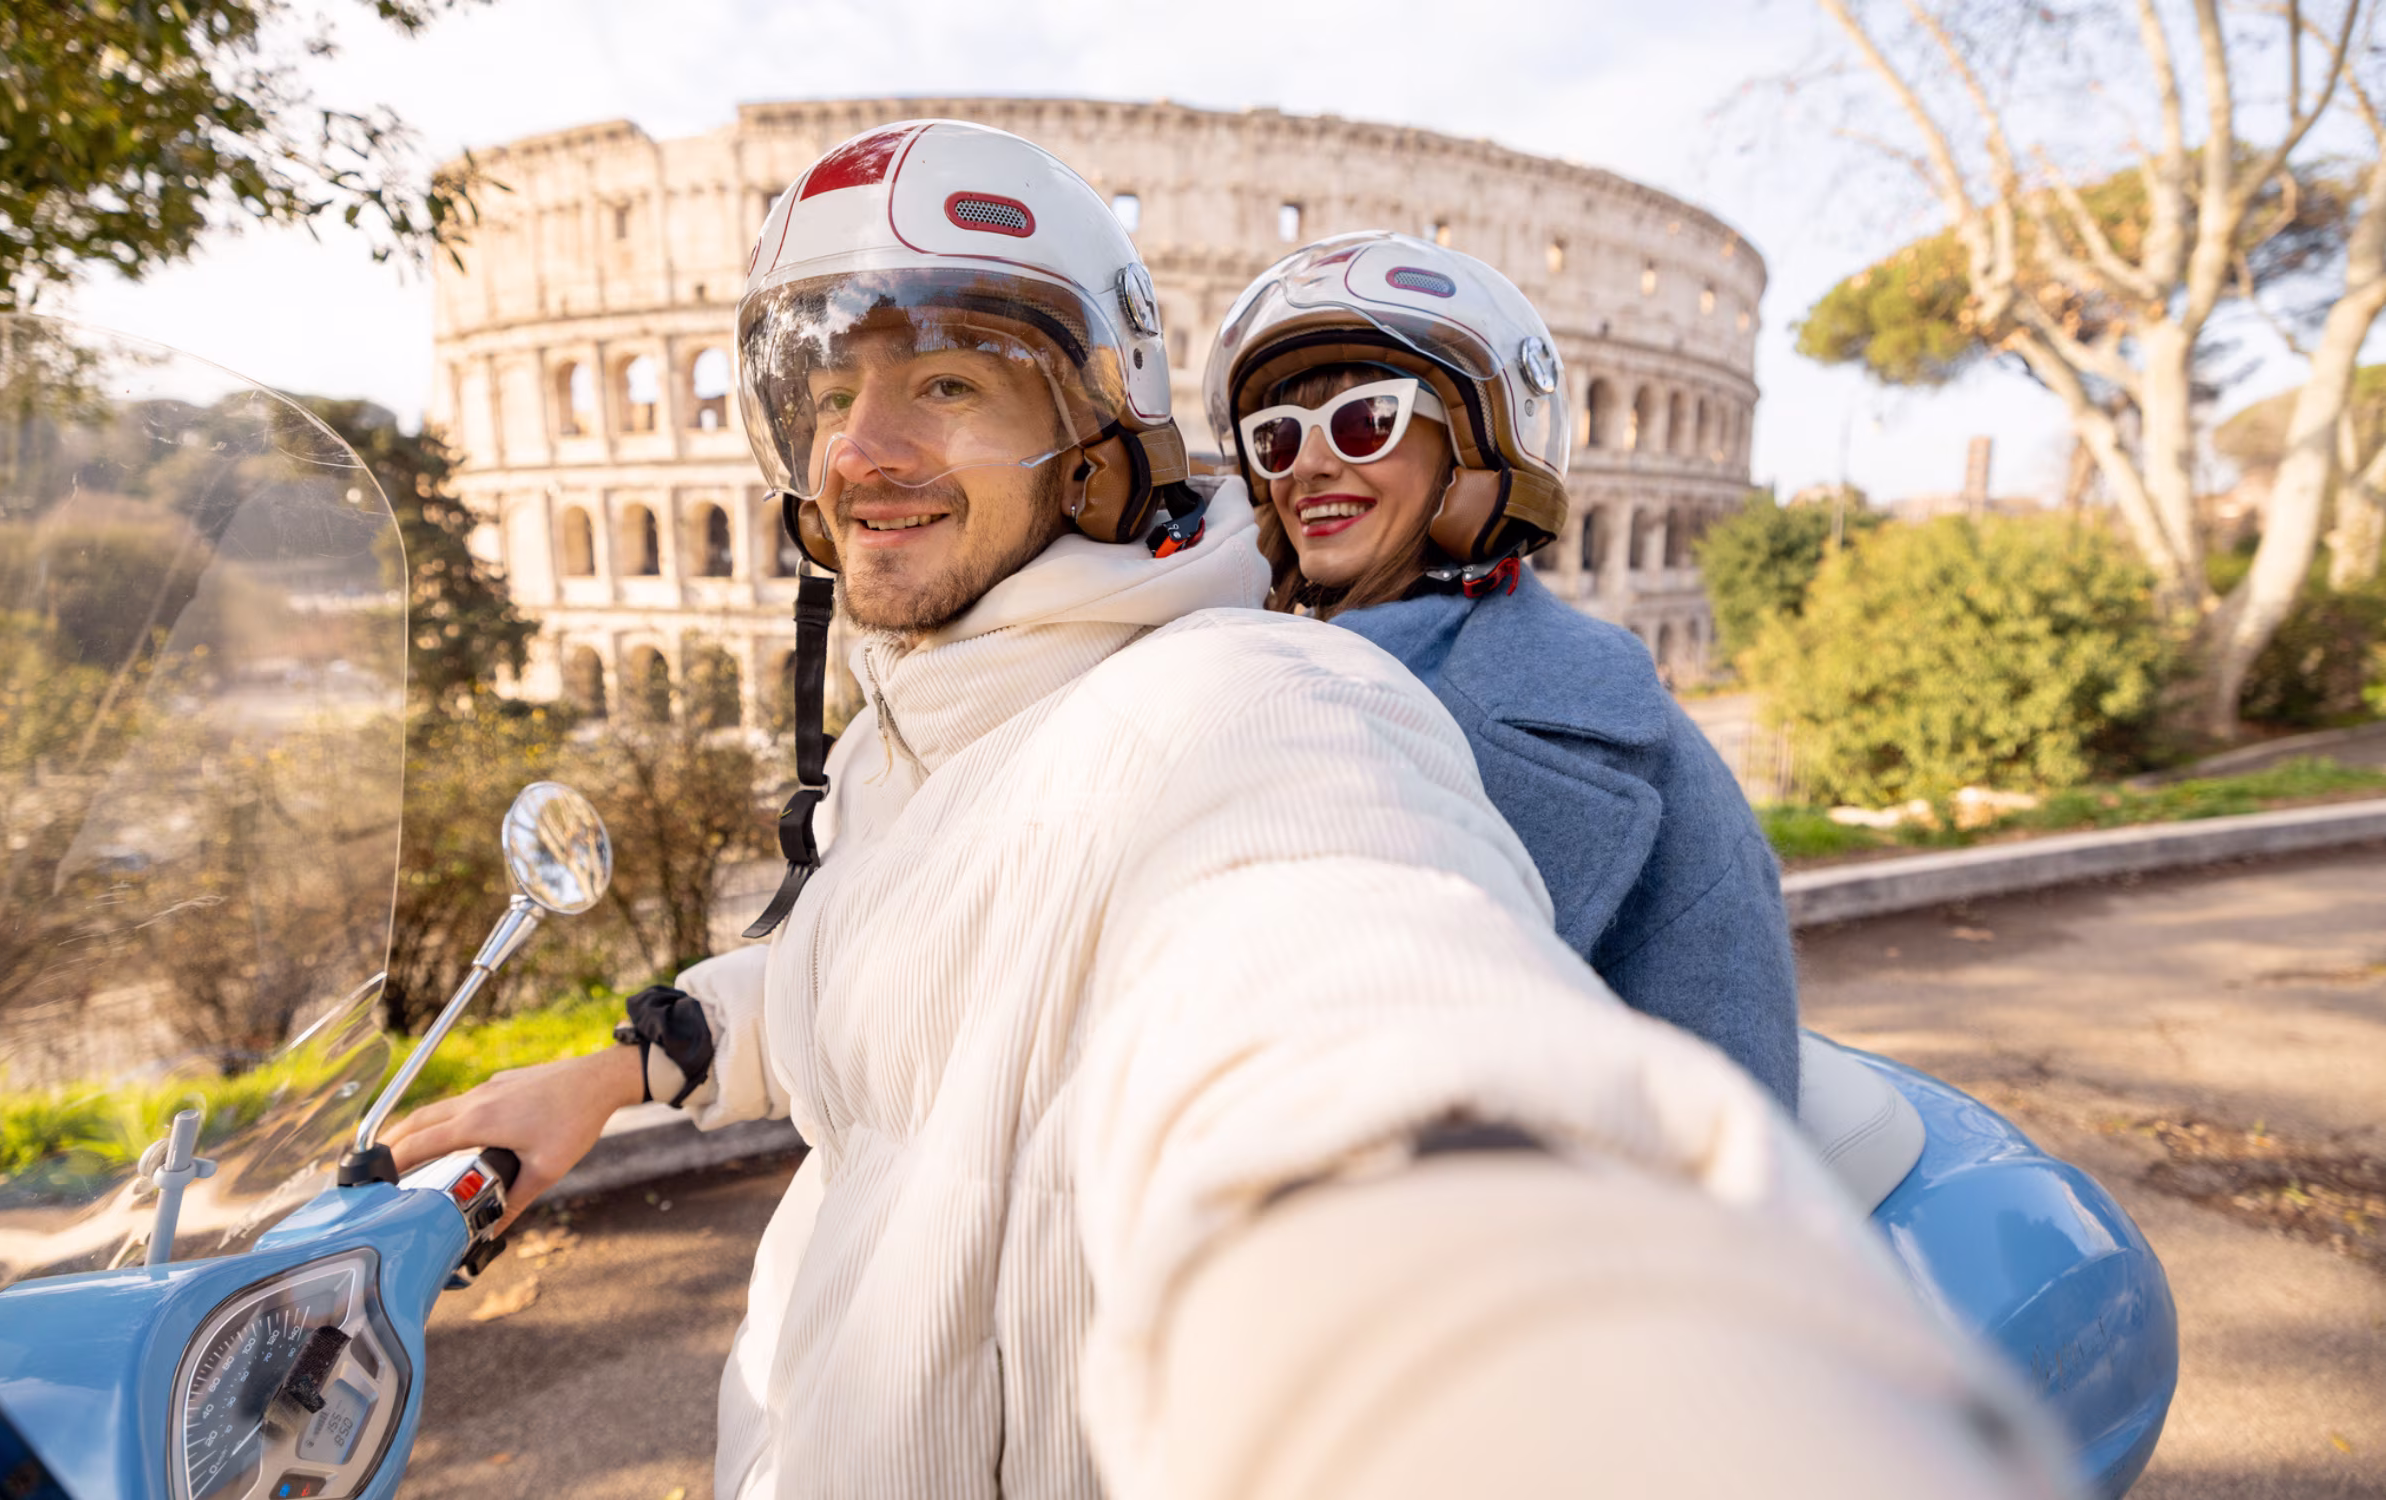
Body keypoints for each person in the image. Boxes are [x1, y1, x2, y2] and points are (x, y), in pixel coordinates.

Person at [385, 121, 2073, 1500]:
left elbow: (1338, 997)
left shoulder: (1266, 701)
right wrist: (609, 1070)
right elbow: (868, 958)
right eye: (826, 397)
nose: (861, 447)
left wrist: (1545, 1341)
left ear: (1096, 436)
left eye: (951, 382)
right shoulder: (952, 729)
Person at [1206, 231, 1801, 1110]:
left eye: (1366, 420)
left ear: (1478, 456)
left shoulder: (1621, 743)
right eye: (1278, 436)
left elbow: (1733, 1119)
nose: (1311, 465)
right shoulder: (1229, 673)